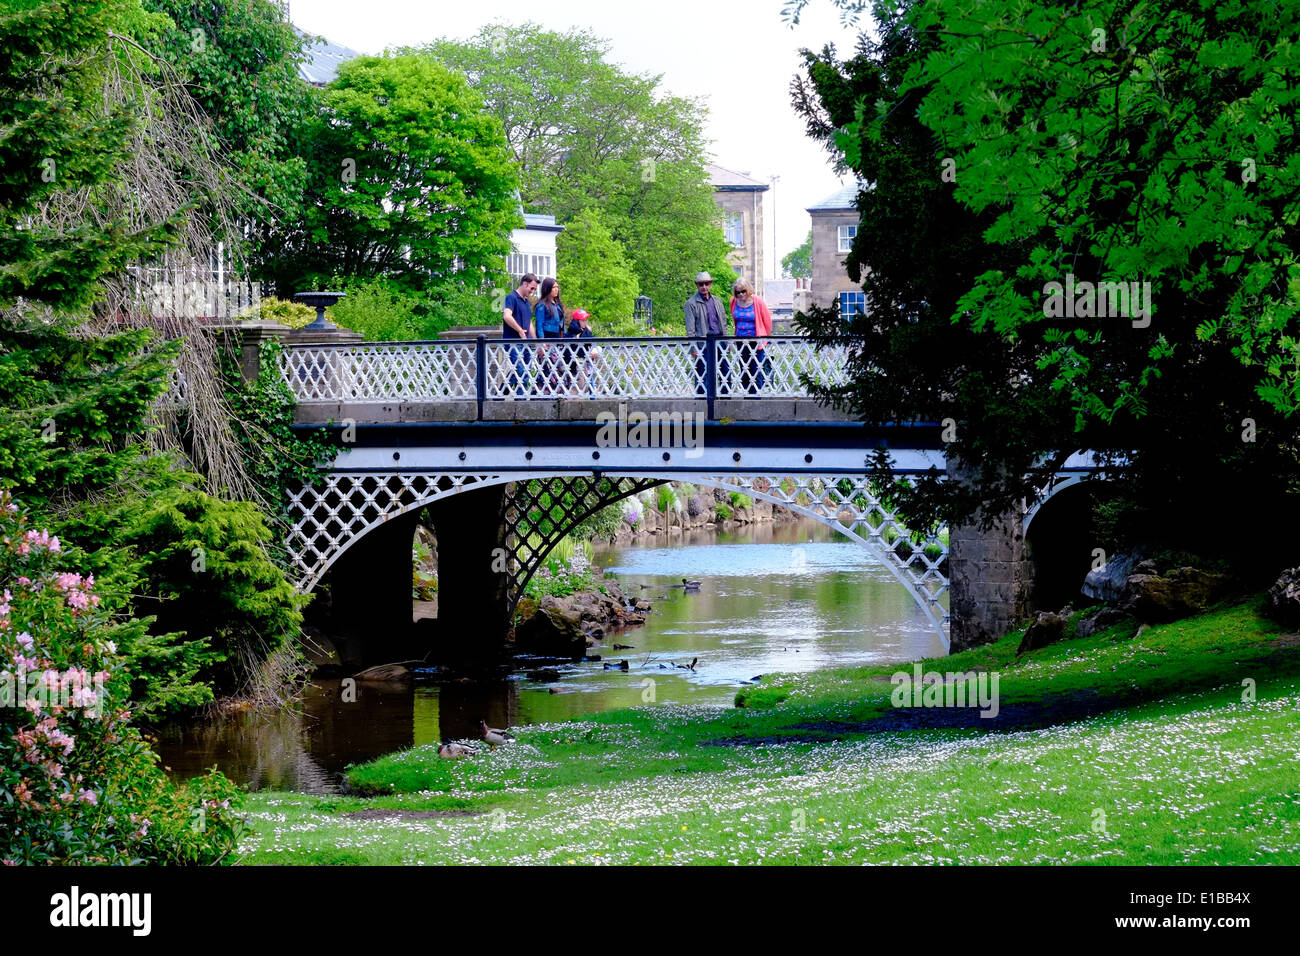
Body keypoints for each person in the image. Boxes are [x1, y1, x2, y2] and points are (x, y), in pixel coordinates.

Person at [683, 271, 729, 396]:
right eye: (700, 284)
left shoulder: (717, 301)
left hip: (719, 341)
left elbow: (723, 323)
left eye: (706, 283)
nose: (704, 287)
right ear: (696, 285)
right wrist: (693, 348)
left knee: (725, 371)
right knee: (702, 373)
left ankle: (726, 399)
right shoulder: (691, 303)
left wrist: (727, 342)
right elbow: (690, 329)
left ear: (710, 284)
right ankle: (701, 401)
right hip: (702, 344)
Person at [730, 279, 773, 396]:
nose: (741, 295)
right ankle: (747, 396)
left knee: (756, 370)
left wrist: (765, 339)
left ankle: (756, 397)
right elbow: (735, 319)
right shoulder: (733, 301)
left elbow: (767, 321)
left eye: (743, 291)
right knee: (744, 370)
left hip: (756, 341)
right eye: (738, 292)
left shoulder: (757, 302)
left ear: (748, 290)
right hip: (740, 341)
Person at [502, 273, 538, 398]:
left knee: (525, 371)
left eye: (534, 289)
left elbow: (529, 324)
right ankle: (521, 398)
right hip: (513, 342)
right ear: (525, 283)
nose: (532, 291)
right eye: (531, 288)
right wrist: (520, 330)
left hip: (525, 343)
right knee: (520, 370)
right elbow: (506, 316)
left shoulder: (527, 302)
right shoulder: (511, 297)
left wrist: (537, 341)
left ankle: (500, 394)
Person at [533, 277, 566, 395]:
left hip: (557, 338)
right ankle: (544, 392)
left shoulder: (557, 305)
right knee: (548, 367)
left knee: (557, 367)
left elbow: (561, 324)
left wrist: (564, 337)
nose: (556, 290)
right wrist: (541, 342)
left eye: (557, 287)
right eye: (554, 287)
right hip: (547, 338)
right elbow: (539, 325)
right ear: (548, 289)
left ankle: (556, 392)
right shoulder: (542, 305)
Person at [565, 307, 595, 395]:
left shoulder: (586, 331)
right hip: (574, 363)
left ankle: (591, 398)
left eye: (586, 320)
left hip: (585, 361)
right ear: (577, 321)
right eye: (583, 320)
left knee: (587, 383)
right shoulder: (571, 332)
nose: (585, 322)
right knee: (579, 385)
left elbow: (592, 341)